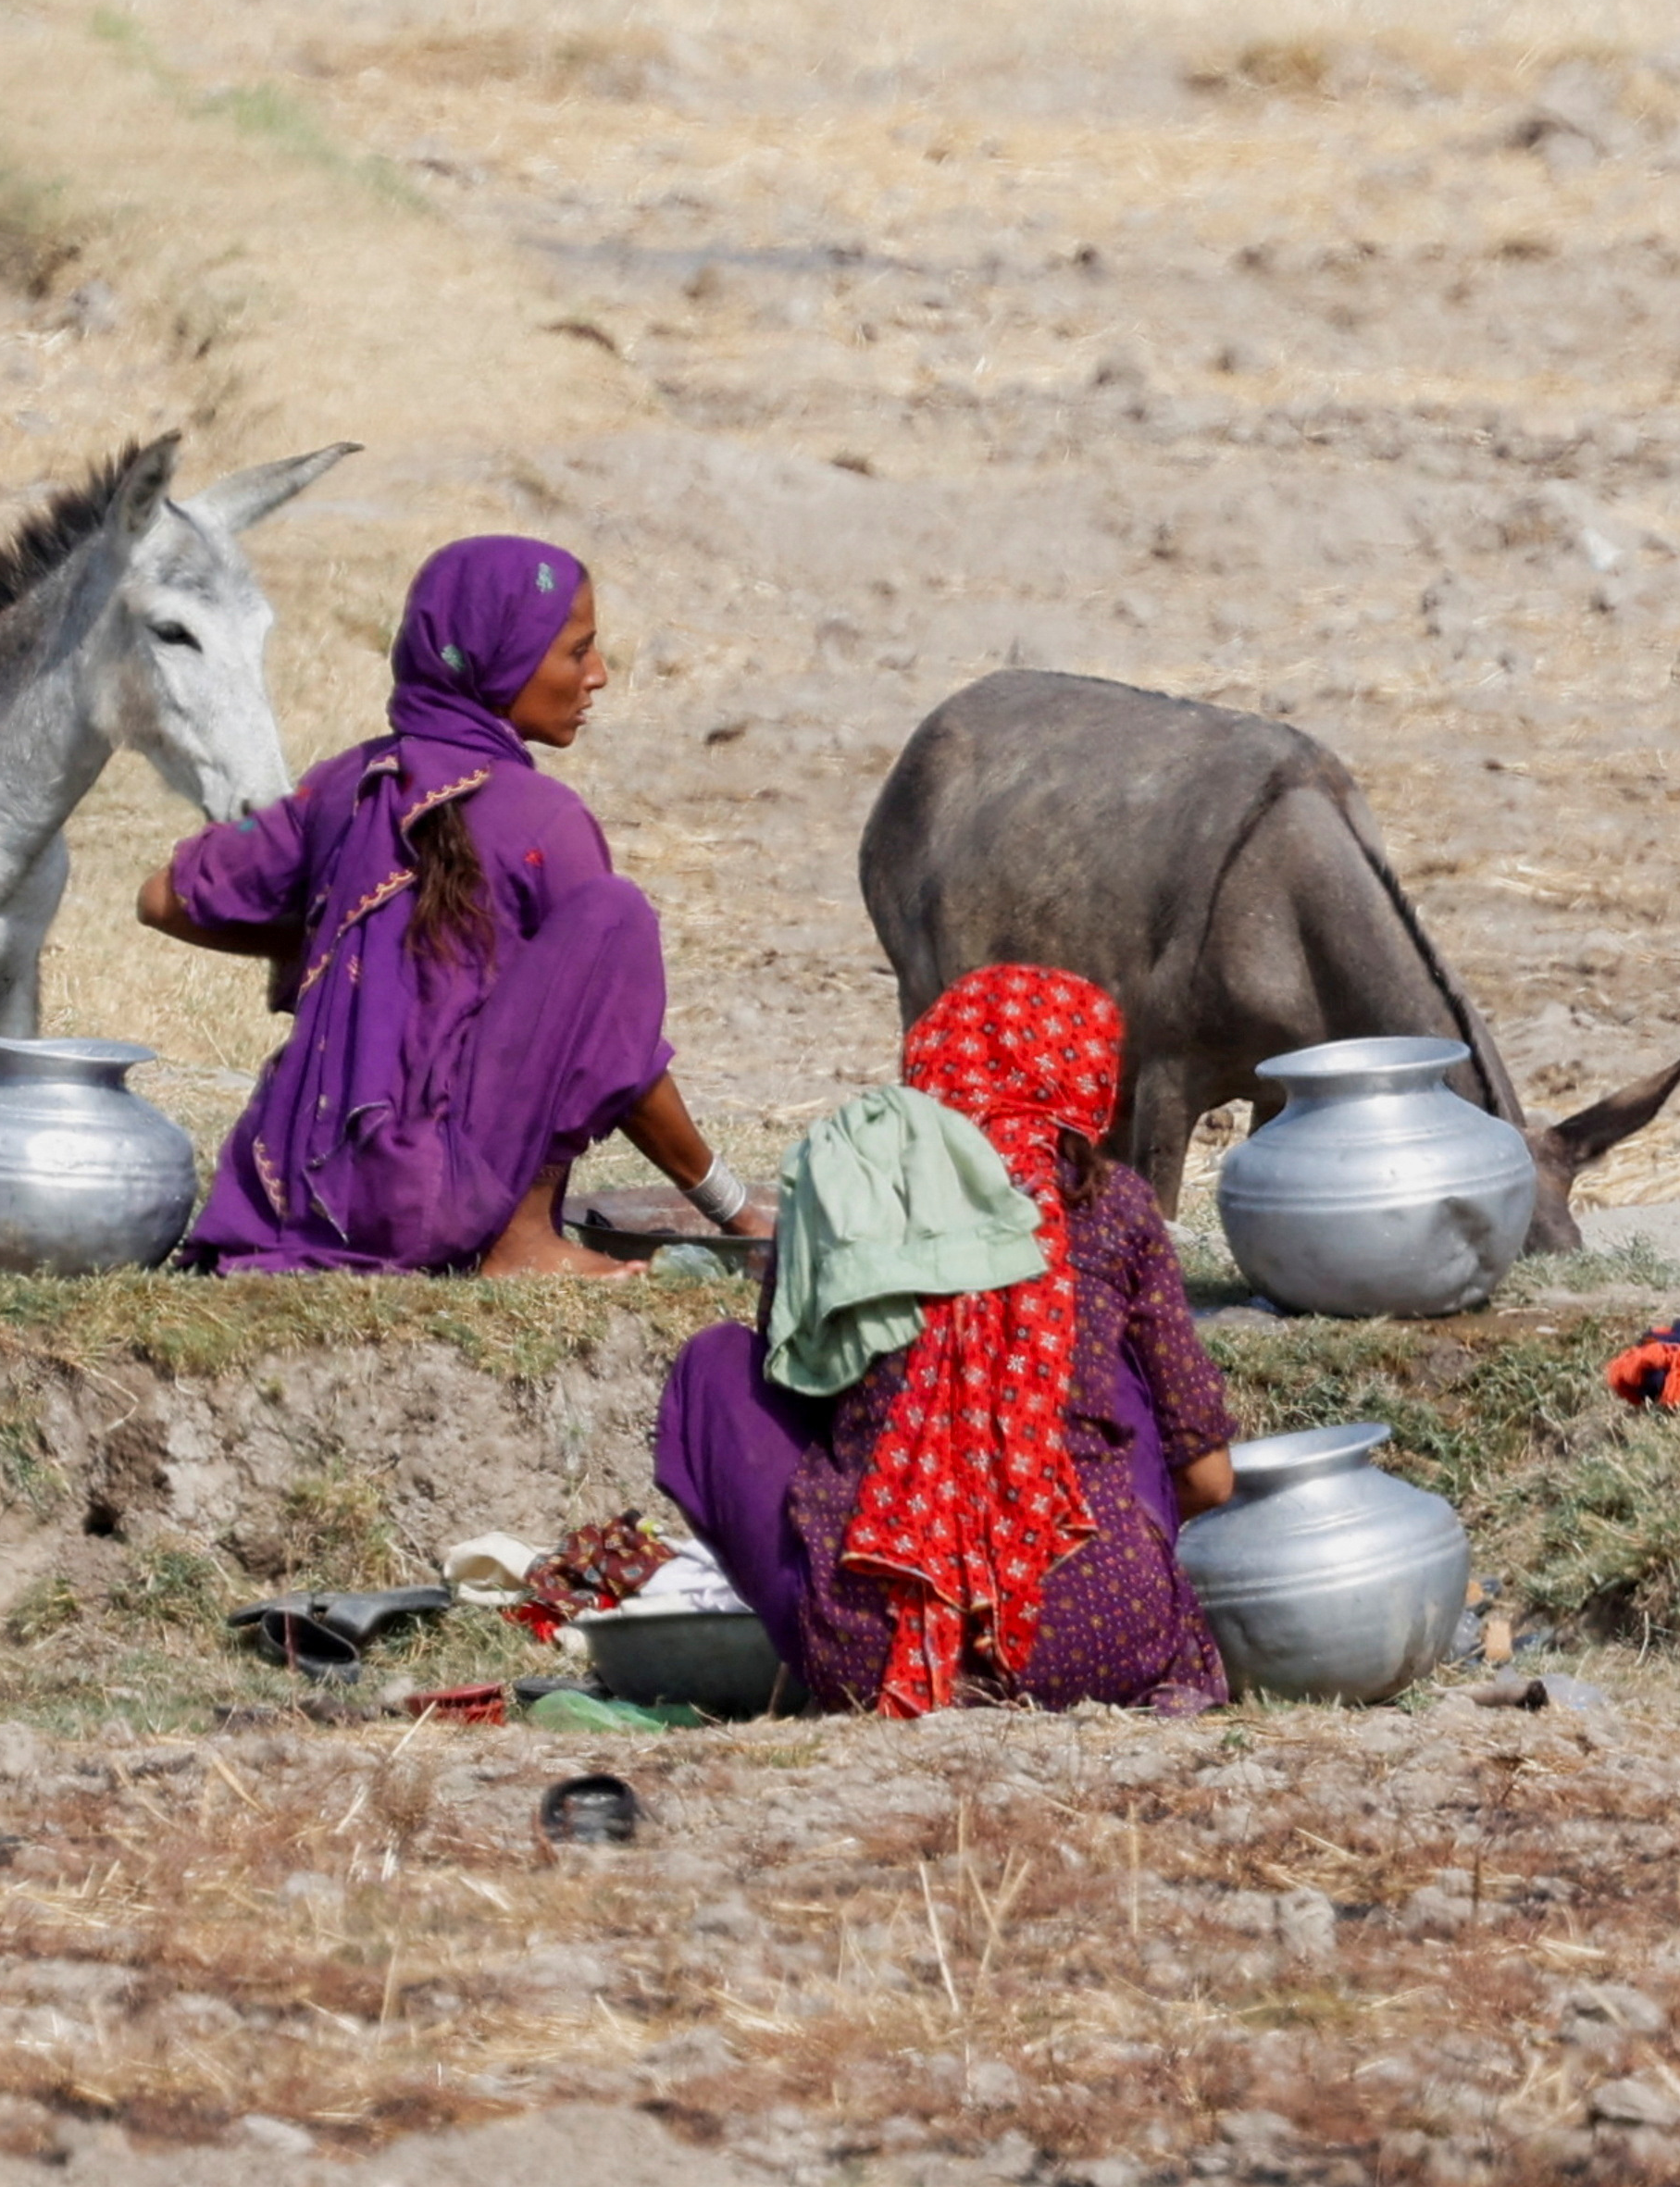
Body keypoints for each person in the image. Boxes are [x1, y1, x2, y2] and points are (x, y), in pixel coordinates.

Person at [143, 536, 765, 1276]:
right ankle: (524, 1239)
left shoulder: (342, 786)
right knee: (614, 917)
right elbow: (618, 1057)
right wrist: (731, 1205)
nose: (597, 676)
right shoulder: (545, 822)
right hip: (429, 1205)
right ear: (503, 659)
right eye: (577, 651)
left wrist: (334, 931)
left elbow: (163, 898)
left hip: (297, 1194)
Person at [653, 967, 1242, 1716]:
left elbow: (794, 1386)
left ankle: (876, 1626)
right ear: (1086, 1074)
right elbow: (1210, 1478)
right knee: (1097, 1357)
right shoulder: (1118, 1206)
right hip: (1111, 1640)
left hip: (876, 1651)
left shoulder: (850, 1193)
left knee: (717, 1365)